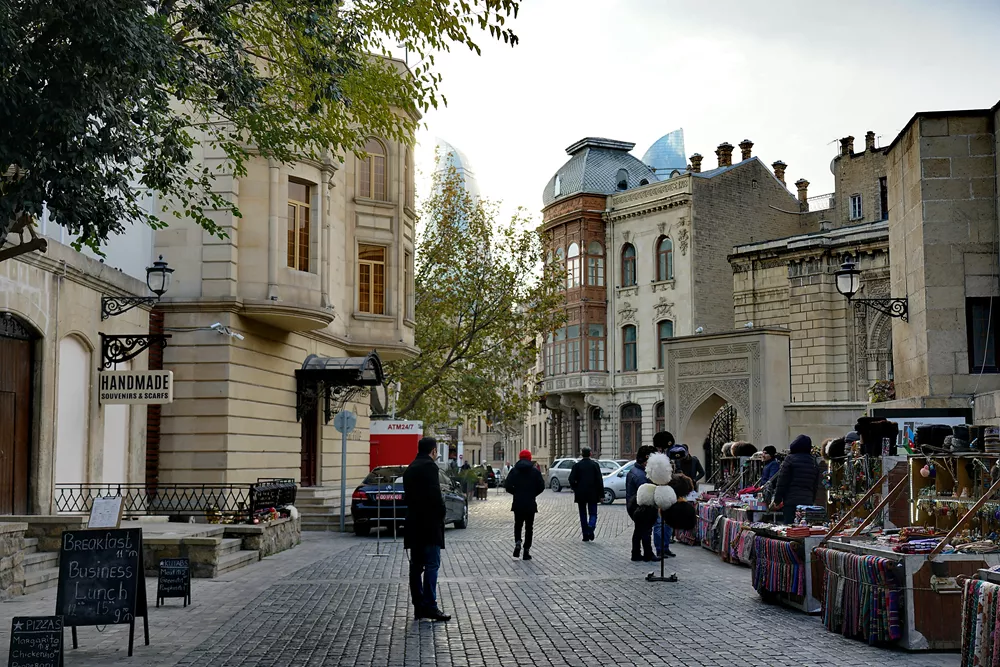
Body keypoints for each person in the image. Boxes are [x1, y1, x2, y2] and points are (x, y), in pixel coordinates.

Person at [402, 437, 451, 622]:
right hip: (429, 525)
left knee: (416, 567)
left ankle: (418, 606)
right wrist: (441, 515)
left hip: (414, 523)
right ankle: (430, 606)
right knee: (432, 565)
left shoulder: (410, 468)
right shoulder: (430, 467)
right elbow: (435, 495)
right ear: (433, 451)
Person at [504, 449, 545, 561]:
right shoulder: (535, 471)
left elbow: (507, 485)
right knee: (529, 527)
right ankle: (526, 550)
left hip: (518, 502)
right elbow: (541, 486)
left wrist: (516, 492)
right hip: (530, 503)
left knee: (518, 524)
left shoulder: (514, 471)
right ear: (530, 458)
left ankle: (518, 542)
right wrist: (533, 494)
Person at [770, 434, 821, 524]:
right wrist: (811, 500)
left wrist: (777, 500)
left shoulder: (790, 459)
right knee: (803, 528)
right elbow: (815, 485)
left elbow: (782, 481)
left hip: (791, 500)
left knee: (790, 527)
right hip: (807, 502)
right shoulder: (813, 461)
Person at [626, 445, 658, 562]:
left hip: (633, 506)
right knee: (645, 530)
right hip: (640, 507)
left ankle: (636, 553)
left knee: (639, 530)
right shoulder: (641, 475)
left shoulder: (634, 471)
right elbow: (646, 493)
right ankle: (648, 554)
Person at [568, 446, 603, 542]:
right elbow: (599, 480)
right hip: (593, 493)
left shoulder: (577, 466)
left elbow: (571, 479)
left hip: (581, 493)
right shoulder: (595, 465)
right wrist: (601, 495)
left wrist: (575, 488)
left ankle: (585, 535)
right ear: (590, 454)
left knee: (582, 514)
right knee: (593, 513)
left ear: (581, 454)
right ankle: (590, 527)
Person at [652, 432, 676, 559]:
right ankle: (660, 548)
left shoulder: (669, 457)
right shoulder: (654, 458)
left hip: (668, 491)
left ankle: (666, 547)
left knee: (668, 523)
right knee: (659, 523)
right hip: (658, 491)